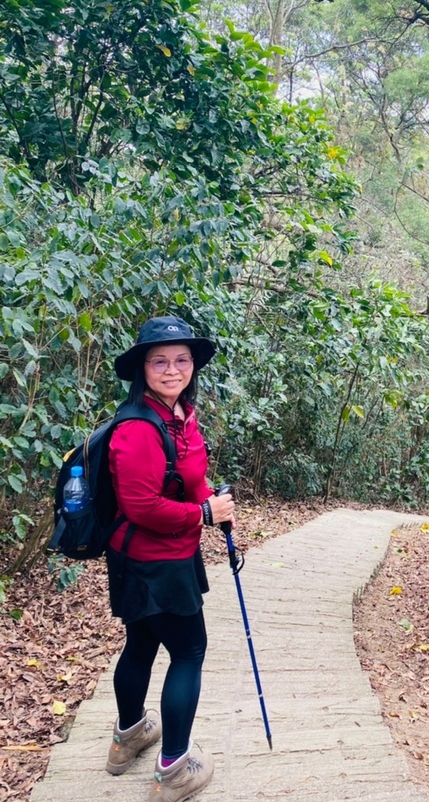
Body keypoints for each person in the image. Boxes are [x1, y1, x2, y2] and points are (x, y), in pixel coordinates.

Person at [103, 316, 235, 802]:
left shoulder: (180, 414)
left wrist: (213, 506)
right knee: (188, 651)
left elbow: (191, 474)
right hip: (151, 560)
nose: (173, 369)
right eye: (160, 361)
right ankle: (174, 770)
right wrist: (204, 512)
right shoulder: (138, 427)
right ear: (143, 368)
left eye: (182, 360)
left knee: (141, 643)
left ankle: (128, 739)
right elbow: (141, 506)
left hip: (160, 553)